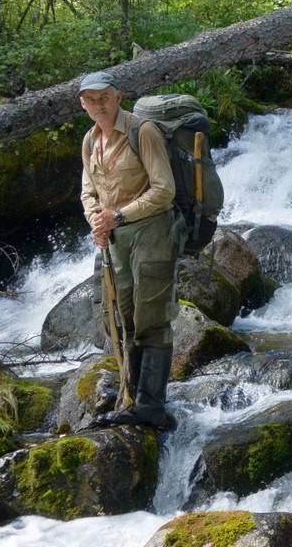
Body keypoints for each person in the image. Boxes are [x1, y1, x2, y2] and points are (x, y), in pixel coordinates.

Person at [79, 71, 181, 428]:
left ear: (118, 96)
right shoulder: (90, 141)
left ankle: (151, 407)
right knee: (121, 320)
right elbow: (88, 191)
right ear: (82, 104)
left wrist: (118, 216)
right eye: (90, 100)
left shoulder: (143, 131)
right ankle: (130, 400)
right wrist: (97, 220)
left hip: (153, 232)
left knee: (151, 320)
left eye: (104, 97)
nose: (98, 105)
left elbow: (164, 190)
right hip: (115, 238)